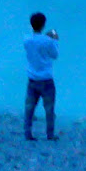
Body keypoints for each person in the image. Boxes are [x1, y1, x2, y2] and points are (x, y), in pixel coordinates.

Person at [23, 12, 59, 141]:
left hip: (32, 78)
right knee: (49, 109)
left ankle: (27, 133)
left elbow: (36, 44)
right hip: (46, 79)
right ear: (43, 24)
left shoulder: (26, 39)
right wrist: (54, 40)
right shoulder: (48, 41)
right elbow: (55, 55)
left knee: (29, 108)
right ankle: (50, 134)